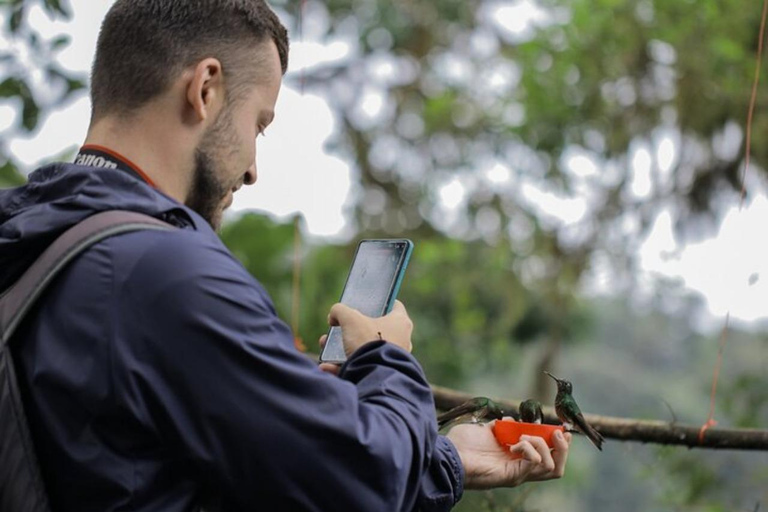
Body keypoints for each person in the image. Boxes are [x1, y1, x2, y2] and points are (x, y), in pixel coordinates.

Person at [0, 1, 571, 510]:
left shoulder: (29, 235)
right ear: (205, 89)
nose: (252, 169)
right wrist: (387, 358)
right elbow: (363, 483)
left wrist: (442, 458)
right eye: (260, 125)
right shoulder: (164, 273)